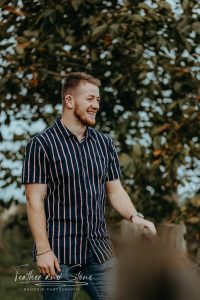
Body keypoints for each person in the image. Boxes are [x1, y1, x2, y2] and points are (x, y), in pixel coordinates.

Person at [22, 72, 156, 300]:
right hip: (58, 252)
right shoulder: (41, 145)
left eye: (98, 100)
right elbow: (34, 200)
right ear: (69, 100)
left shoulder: (104, 143)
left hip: (99, 249)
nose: (96, 105)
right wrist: (43, 250)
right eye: (90, 99)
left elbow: (115, 190)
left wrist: (135, 216)